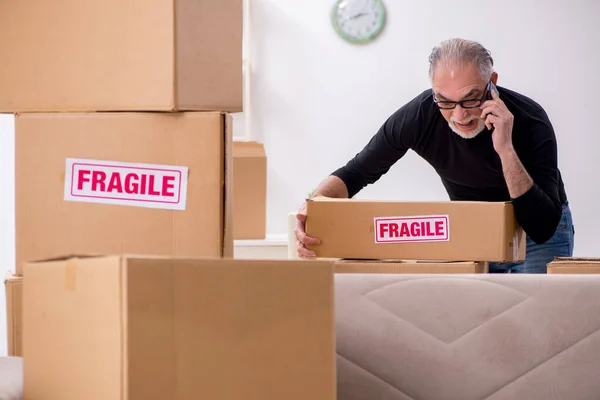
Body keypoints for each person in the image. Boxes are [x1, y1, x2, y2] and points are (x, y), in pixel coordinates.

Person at [294, 38, 574, 273]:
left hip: (539, 227)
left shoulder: (530, 120)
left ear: (493, 83)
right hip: (475, 227)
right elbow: (356, 172)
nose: (459, 115)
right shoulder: (419, 117)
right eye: (445, 101)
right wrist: (313, 209)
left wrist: (505, 149)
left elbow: (541, 226)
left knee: (539, 324)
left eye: (471, 98)